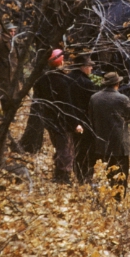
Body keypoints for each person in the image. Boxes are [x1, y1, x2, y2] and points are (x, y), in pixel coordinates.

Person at [89, 72, 130, 201]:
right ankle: (117, 200)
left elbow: (90, 118)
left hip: (100, 143)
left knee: (104, 172)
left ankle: (103, 197)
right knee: (120, 174)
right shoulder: (122, 99)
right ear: (117, 84)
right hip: (119, 144)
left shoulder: (94, 98)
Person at [34, 48, 77, 183]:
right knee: (65, 150)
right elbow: (68, 106)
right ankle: (62, 177)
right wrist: (74, 124)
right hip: (61, 120)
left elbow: (39, 99)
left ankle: (59, 174)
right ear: (60, 61)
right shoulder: (63, 82)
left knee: (59, 147)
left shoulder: (41, 80)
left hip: (48, 119)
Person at [67, 54, 98, 183]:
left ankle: (76, 174)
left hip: (69, 120)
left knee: (74, 149)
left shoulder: (67, 79)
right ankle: (85, 177)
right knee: (86, 151)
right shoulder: (86, 83)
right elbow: (92, 104)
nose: (91, 68)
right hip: (84, 122)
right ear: (82, 67)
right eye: (89, 65)